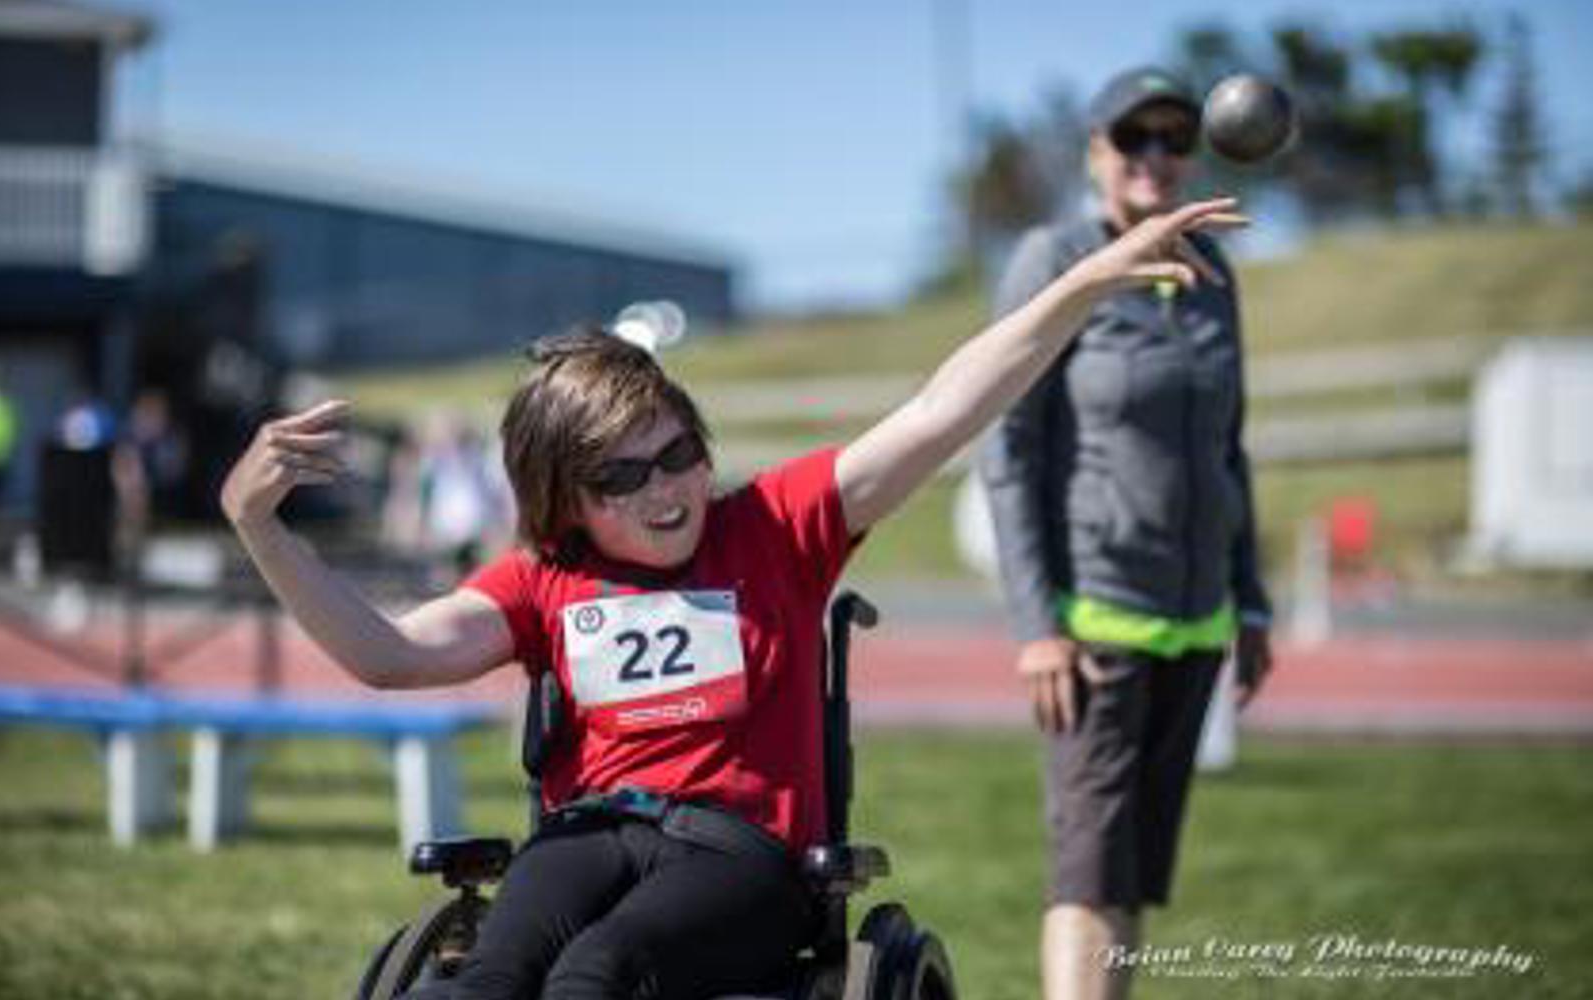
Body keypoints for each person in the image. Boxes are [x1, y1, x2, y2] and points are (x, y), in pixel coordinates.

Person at [219, 196, 1243, 1000]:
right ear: (564, 502)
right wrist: (261, 526)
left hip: (739, 857)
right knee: (490, 977)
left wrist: (1086, 283)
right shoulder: (544, 577)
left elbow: (941, 410)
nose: (666, 488)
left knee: (596, 977)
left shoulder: (778, 523)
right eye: (621, 477)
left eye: (677, 454)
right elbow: (390, 654)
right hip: (582, 834)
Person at [976, 68, 1275, 1000]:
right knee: (1088, 874)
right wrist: (1036, 626)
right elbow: (1007, 445)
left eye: (1174, 138)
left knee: (1134, 877)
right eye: (1133, 137)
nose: (1156, 155)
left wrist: (1252, 601)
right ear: (1095, 151)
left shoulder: (1214, 269)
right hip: (1094, 618)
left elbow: (1229, 448)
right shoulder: (1054, 254)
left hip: (1195, 622)